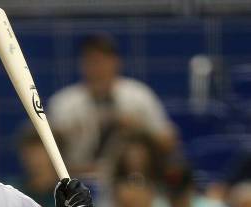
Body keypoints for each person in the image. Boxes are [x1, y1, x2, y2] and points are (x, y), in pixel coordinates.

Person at [47, 34, 177, 174]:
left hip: (130, 180)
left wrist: (139, 129)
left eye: (103, 60)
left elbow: (168, 143)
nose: (97, 68)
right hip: (76, 179)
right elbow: (43, 153)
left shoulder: (138, 96)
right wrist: (64, 136)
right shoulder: (64, 103)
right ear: (82, 64)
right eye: (91, 61)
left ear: (116, 62)